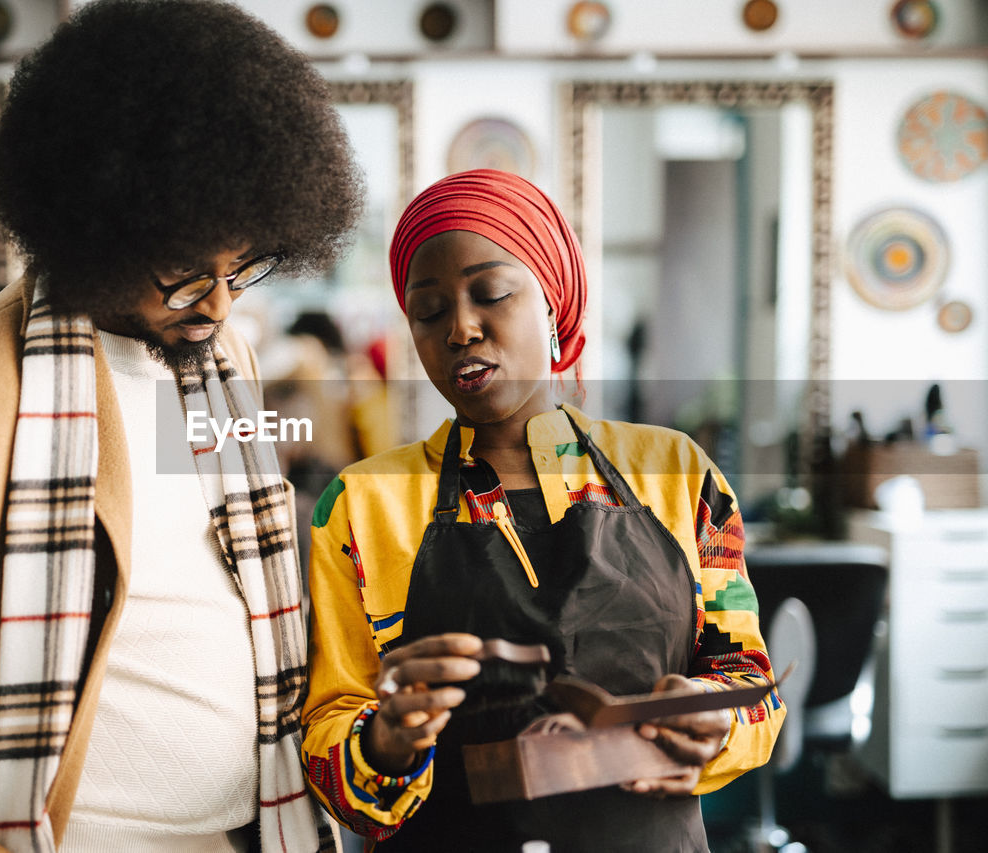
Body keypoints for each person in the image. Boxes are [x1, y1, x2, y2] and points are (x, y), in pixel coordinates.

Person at [0, 2, 362, 851]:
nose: (223, 301)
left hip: (250, 831)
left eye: (243, 267)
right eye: (186, 271)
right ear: (104, 230)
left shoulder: (226, 359)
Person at [301, 169, 784, 851]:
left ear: (554, 303)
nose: (462, 328)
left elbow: (751, 684)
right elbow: (327, 735)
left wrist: (715, 727)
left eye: (492, 293)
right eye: (429, 312)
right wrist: (384, 740)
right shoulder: (359, 505)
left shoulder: (676, 472)